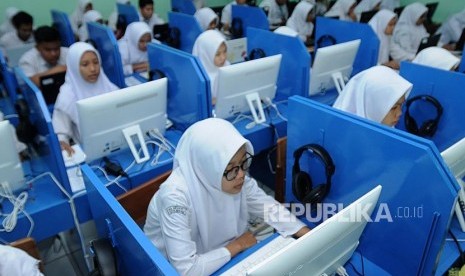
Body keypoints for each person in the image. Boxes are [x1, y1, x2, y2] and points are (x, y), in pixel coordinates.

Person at [144, 117, 310, 276]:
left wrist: (309, 237)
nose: (241, 175)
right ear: (207, 167)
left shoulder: (235, 178)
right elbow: (186, 270)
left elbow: (270, 209)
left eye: (243, 162)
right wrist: (238, 245)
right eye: (230, 168)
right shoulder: (174, 198)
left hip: (224, 257)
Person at [52, 42, 119, 154]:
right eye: (85, 64)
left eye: (96, 62)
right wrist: (62, 142)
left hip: (118, 143)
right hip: (90, 153)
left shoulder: (108, 86)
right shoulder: (67, 95)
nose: (93, 69)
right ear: (74, 66)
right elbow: (60, 131)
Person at [333, 65, 412, 127]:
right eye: (393, 108)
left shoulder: (383, 126)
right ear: (372, 106)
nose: (399, 113)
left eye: (401, 105)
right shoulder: (349, 142)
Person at [192, 30, 230, 104]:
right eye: (217, 54)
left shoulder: (227, 65)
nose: (223, 57)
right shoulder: (198, 77)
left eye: (225, 51)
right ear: (206, 55)